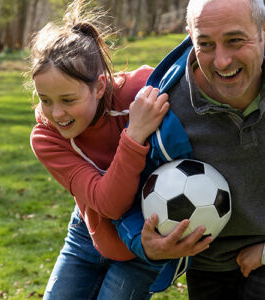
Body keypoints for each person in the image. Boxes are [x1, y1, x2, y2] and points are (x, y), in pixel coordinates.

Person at [116, 0, 265, 299]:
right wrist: (142, 242)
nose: (221, 61)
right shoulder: (162, 111)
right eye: (205, 44)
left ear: (263, 31)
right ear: (189, 36)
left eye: (235, 40)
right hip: (206, 266)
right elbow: (121, 199)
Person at [28, 1, 174, 299]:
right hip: (88, 231)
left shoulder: (142, 90)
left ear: (99, 86)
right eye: (45, 99)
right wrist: (134, 137)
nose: (56, 113)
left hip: (144, 242)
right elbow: (109, 204)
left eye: (67, 100)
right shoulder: (46, 137)